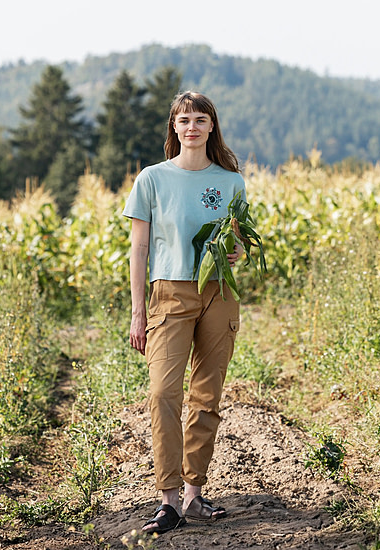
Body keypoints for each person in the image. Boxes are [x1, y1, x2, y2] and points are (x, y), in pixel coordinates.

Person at [122, 91, 247, 534]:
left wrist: (237, 254)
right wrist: (139, 312)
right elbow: (138, 248)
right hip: (169, 294)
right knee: (162, 393)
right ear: (174, 128)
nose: (191, 126)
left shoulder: (231, 180)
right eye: (183, 120)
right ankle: (168, 499)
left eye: (200, 119)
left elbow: (236, 240)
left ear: (212, 126)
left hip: (218, 294)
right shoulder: (152, 179)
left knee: (206, 395)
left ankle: (194, 494)